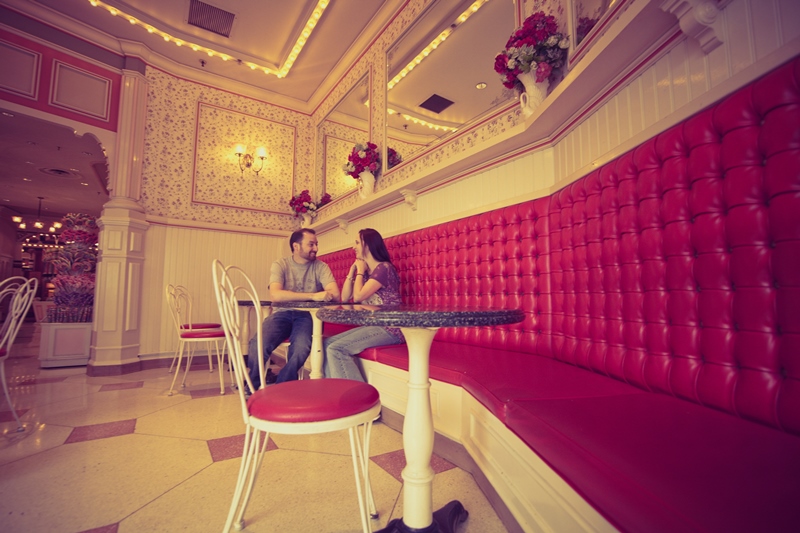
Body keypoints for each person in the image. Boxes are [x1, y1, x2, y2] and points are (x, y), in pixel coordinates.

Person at [247, 228, 339, 389]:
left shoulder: (321, 267)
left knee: (301, 349)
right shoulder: (280, 264)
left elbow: (336, 295)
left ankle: (282, 386)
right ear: (296, 246)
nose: (316, 248)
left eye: (316, 244)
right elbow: (275, 295)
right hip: (281, 314)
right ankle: (253, 385)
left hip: (308, 316)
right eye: (311, 244)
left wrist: (318, 295)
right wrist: (313, 296)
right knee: (257, 344)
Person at [323, 228, 404, 382]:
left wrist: (360, 271)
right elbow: (346, 297)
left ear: (367, 245)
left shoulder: (384, 268)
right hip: (375, 326)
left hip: (391, 328)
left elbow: (359, 296)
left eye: (357, 242)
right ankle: (334, 391)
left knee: (336, 349)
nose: (353, 247)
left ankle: (354, 399)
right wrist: (353, 270)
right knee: (327, 343)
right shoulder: (368, 272)